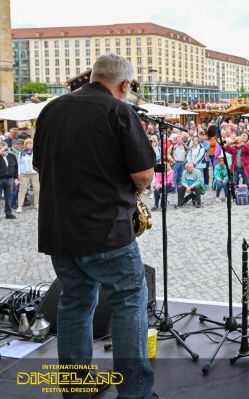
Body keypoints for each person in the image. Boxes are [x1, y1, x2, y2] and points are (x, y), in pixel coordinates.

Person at [33, 53, 156, 399]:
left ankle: (75, 387)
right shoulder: (120, 111)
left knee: (74, 302)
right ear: (124, 84)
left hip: (60, 230)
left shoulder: (51, 110)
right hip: (107, 231)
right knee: (130, 301)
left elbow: (42, 166)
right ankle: (134, 391)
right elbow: (143, 174)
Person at [16, 138, 40, 212]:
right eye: (28, 143)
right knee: (22, 190)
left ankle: (36, 203)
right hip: (24, 174)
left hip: (34, 173)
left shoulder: (36, 152)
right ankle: (20, 206)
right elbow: (19, 165)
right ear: (25, 145)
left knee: (37, 189)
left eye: (31, 143)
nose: (30, 145)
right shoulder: (21, 153)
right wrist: (19, 174)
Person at [0, 141, 18, 219]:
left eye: (5, 148)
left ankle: (8, 213)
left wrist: (16, 178)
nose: (5, 149)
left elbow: (16, 167)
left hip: (10, 179)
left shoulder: (12, 156)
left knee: (9, 198)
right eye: (2, 148)